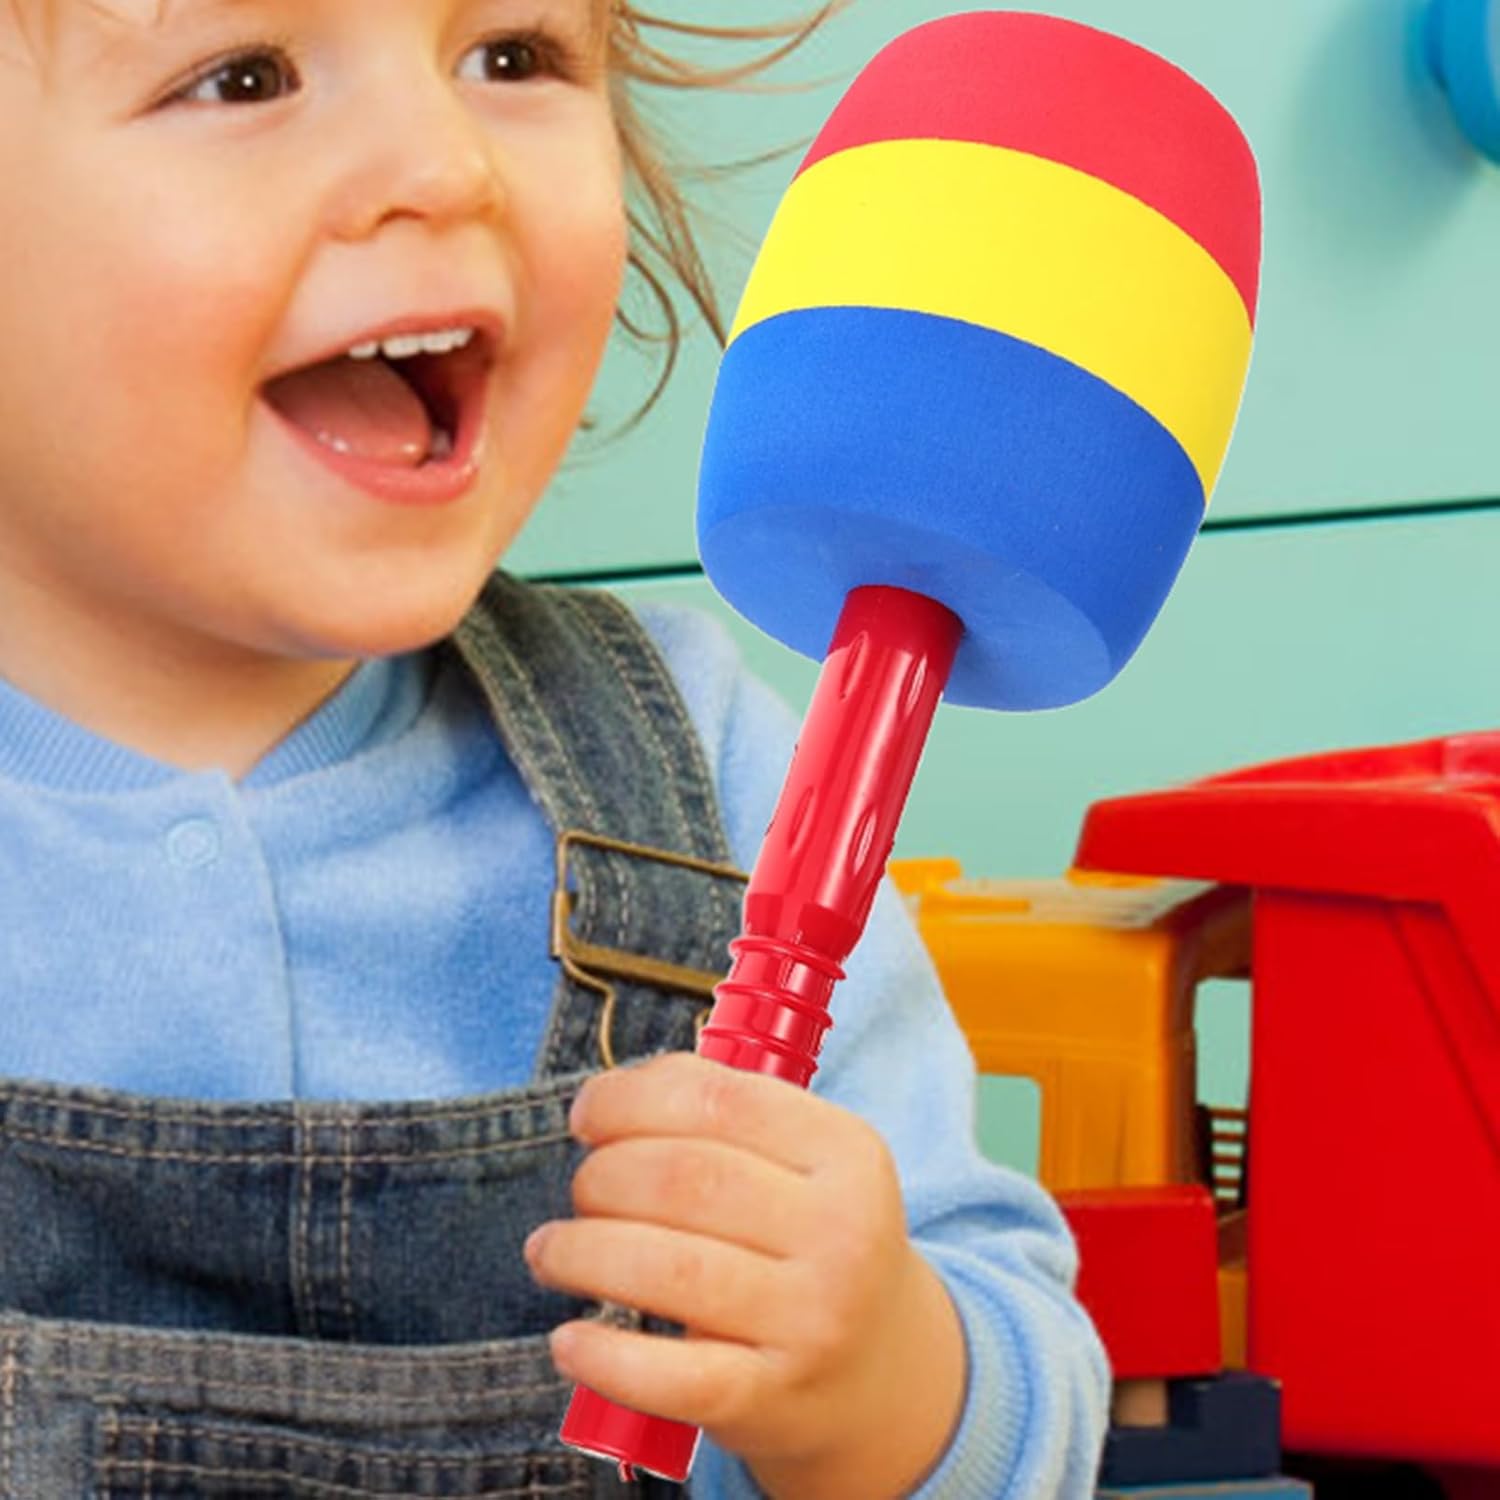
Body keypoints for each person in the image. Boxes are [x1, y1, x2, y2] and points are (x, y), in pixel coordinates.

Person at [0, 0, 1110, 1495]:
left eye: (513, 56)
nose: (445, 165)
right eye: (244, 76)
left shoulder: (699, 780)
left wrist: (875, 1377)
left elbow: (1028, 1406)